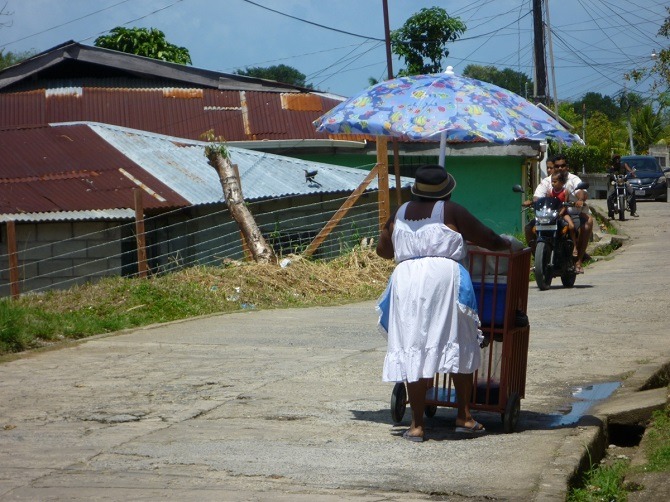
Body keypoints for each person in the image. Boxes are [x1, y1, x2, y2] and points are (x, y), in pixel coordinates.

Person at [375, 164, 513, 442]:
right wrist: (507, 244)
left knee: (413, 344)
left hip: (407, 281)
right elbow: (487, 237)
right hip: (443, 280)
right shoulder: (451, 211)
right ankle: (464, 417)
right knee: (457, 339)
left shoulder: (399, 214)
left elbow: (383, 251)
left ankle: (416, 426)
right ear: (447, 192)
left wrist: (404, 238)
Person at [523, 154, 592, 274]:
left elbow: (581, 191)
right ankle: (539, 260)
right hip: (550, 214)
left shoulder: (573, 179)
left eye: (563, 165)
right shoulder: (547, 181)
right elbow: (537, 196)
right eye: (557, 166)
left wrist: (580, 199)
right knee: (529, 228)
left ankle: (578, 261)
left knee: (587, 223)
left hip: (571, 213)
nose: (560, 168)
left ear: (567, 167)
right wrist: (532, 201)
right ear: (553, 167)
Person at [549, 171, 578, 256]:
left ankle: (574, 246)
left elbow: (565, 205)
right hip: (552, 214)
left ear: (562, 182)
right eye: (552, 181)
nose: (552, 183)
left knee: (571, 226)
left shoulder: (565, 192)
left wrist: (560, 213)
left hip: (563, 213)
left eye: (555, 181)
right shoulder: (549, 191)